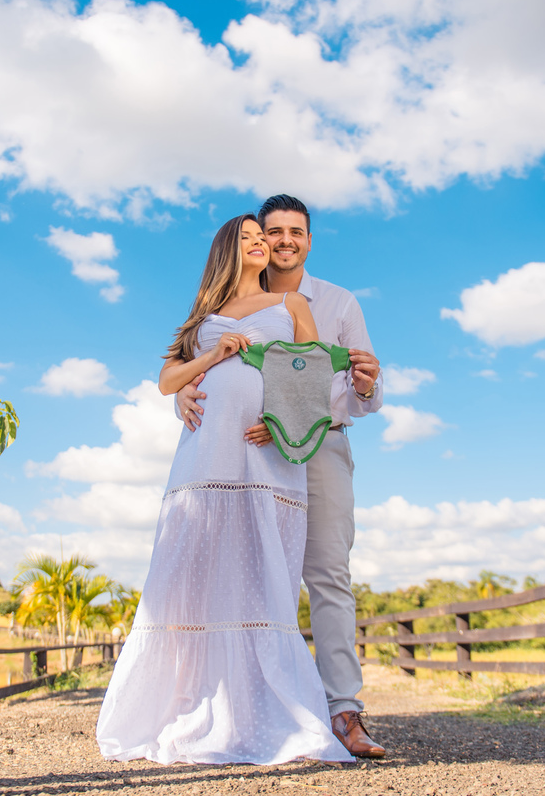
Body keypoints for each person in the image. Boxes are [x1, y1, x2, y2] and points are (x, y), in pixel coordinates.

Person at [95, 214, 356, 765]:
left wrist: (284, 422)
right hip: (204, 457)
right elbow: (168, 380)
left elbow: (312, 373)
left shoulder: (291, 305)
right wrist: (212, 358)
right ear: (227, 250)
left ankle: (266, 713)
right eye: (249, 237)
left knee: (262, 571)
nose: (261, 243)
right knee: (192, 570)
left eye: (264, 237)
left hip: (267, 456)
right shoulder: (203, 318)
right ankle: (186, 706)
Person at [177, 194, 386, 758]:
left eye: (296, 232)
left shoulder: (338, 302)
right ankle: (249, 705)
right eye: (273, 232)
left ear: (309, 240)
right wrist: (185, 396)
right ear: (258, 238)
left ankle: (343, 710)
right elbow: (197, 363)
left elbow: (360, 389)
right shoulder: (228, 297)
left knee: (327, 573)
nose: (284, 241)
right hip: (245, 453)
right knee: (245, 572)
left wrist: (367, 385)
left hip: (320, 446)